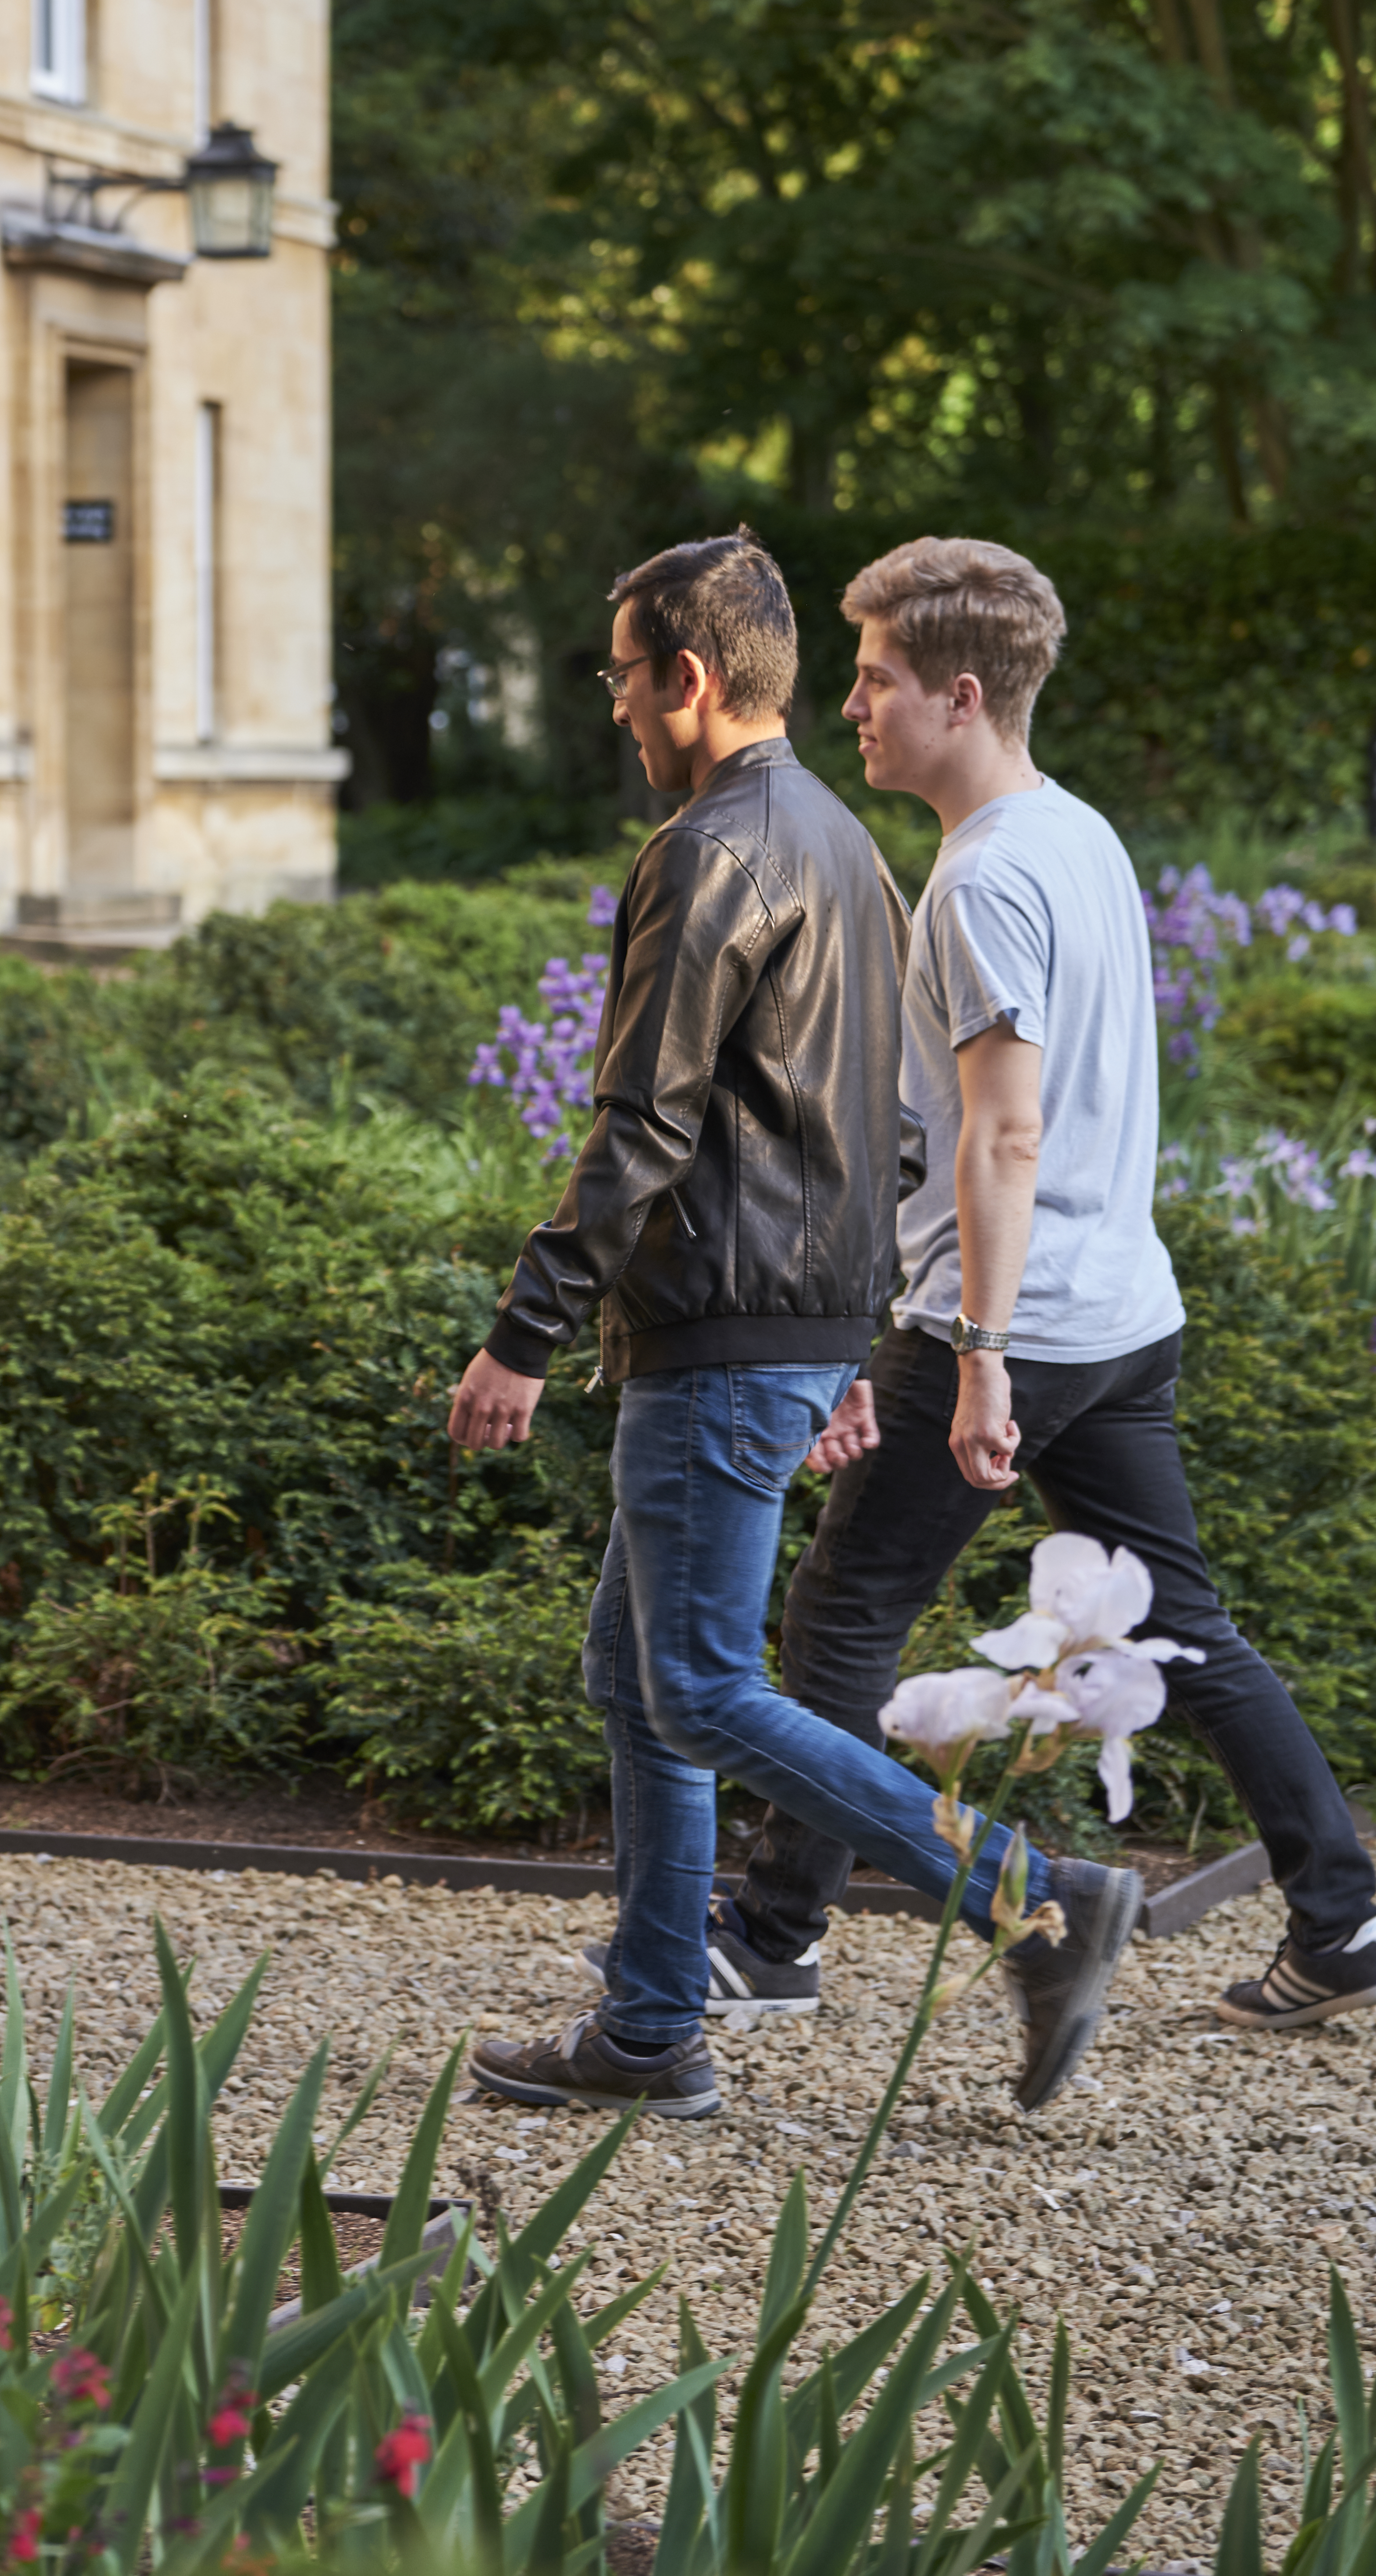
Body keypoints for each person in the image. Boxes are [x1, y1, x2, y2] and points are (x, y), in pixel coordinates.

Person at [617, 534, 1376, 2041]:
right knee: (1187, 1626)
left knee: (838, 1619)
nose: (851, 705)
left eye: (877, 679)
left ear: (961, 695)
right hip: (1123, 1312)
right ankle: (1345, 1906)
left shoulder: (979, 885)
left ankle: (773, 1931)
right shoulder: (1078, 835)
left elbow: (1004, 1130)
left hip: (1011, 1319)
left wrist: (974, 1353)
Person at [448, 527, 1143, 2122]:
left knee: (691, 1681)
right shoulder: (838, 838)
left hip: (720, 1337)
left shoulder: (711, 852)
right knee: (639, 1672)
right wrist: (847, 1338)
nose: (616, 705)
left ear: (686, 678)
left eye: (623, 675)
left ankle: (1036, 1898)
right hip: (784, 1327)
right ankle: (646, 2028)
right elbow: (892, 1132)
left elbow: (640, 1129)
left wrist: (524, 1332)